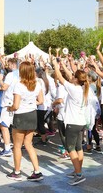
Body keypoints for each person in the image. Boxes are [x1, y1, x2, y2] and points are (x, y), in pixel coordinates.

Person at [52, 57, 89, 186]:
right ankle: (77, 170)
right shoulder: (82, 87)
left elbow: (61, 78)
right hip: (80, 122)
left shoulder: (74, 89)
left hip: (73, 124)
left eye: (74, 76)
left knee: (71, 148)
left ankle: (79, 175)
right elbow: (70, 75)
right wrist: (63, 64)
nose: (71, 77)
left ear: (76, 79)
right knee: (79, 147)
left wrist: (55, 65)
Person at [6, 61, 44, 182]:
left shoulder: (19, 85)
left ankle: (17, 172)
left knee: (17, 146)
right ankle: (37, 171)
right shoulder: (37, 84)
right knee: (29, 144)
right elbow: (41, 100)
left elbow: (16, 106)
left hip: (21, 116)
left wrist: (9, 107)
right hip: (32, 114)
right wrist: (31, 103)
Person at [0, 58, 19, 156]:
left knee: (3, 125)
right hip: (17, 102)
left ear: (13, 64)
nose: (7, 66)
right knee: (14, 126)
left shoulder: (11, 75)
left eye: (9, 64)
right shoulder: (21, 74)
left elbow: (4, 87)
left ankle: (7, 148)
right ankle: (15, 146)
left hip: (8, 103)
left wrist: (0, 79)